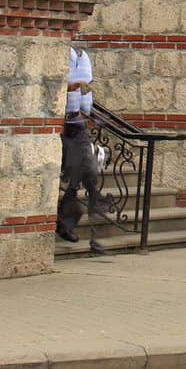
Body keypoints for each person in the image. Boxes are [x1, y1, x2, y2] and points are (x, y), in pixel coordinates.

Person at [56, 45, 109, 250]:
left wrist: (87, 108)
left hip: (77, 121)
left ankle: (70, 221)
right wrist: (68, 88)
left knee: (89, 170)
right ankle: (66, 220)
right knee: (71, 172)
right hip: (61, 124)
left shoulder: (81, 55)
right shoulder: (59, 51)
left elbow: (87, 86)